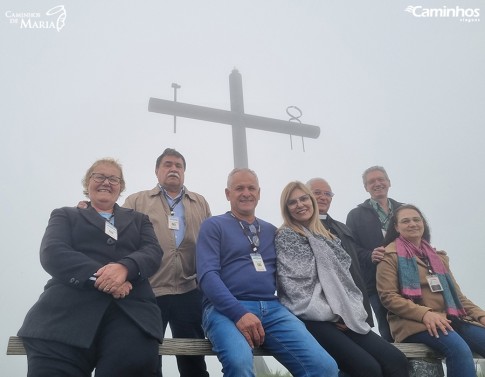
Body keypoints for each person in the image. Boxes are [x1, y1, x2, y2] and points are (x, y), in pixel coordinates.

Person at [18, 158, 164, 377]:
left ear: (121, 187)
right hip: (64, 315)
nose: (106, 182)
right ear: (87, 183)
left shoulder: (139, 220)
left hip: (131, 314)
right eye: (99, 176)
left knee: (134, 363)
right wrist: (104, 277)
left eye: (113, 179)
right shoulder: (65, 215)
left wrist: (125, 267)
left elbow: (153, 252)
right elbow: (53, 251)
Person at [196, 168, 339, 377]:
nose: (246, 193)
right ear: (228, 194)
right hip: (225, 309)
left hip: (273, 309)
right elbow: (207, 276)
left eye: (251, 188)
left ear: (259, 193)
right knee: (239, 363)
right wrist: (239, 313)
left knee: (324, 367)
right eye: (239, 188)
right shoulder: (213, 226)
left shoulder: (273, 231)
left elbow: (295, 276)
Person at [275, 181, 409, 377]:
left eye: (303, 198)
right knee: (367, 369)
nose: (300, 204)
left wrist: (348, 312)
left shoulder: (329, 236)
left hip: (344, 315)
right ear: (286, 209)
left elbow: (347, 281)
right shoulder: (286, 236)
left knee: (396, 361)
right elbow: (297, 287)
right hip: (313, 318)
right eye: (292, 202)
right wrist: (336, 312)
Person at [123, 148, 211, 377]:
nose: (173, 169)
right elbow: (120, 238)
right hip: (149, 289)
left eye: (178, 166)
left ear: (184, 172)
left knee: (193, 357)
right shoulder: (136, 200)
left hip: (189, 289)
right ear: (157, 170)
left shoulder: (199, 202)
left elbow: (210, 244)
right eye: (168, 164)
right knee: (148, 357)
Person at [376, 204, 485, 377]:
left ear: (423, 224)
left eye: (416, 219)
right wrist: (425, 314)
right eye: (405, 221)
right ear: (396, 227)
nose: (412, 224)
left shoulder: (437, 257)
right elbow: (388, 297)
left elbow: (458, 297)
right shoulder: (388, 256)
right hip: (414, 323)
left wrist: (481, 315)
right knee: (459, 349)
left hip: (451, 318)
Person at [346, 166, 402, 341]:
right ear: (366, 187)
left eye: (381, 179)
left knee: (412, 324)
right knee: (387, 328)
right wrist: (369, 255)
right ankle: (395, 367)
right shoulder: (355, 215)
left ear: (389, 182)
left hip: (407, 280)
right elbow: (350, 248)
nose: (377, 184)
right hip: (375, 283)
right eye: (371, 181)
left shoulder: (403, 210)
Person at [307, 177, 373, 326]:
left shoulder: (343, 228)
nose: (323, 197)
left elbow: (355, 269)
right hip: (326, 314)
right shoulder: (300, 229)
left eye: (327, 194)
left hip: (356, 306)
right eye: (317, 192)